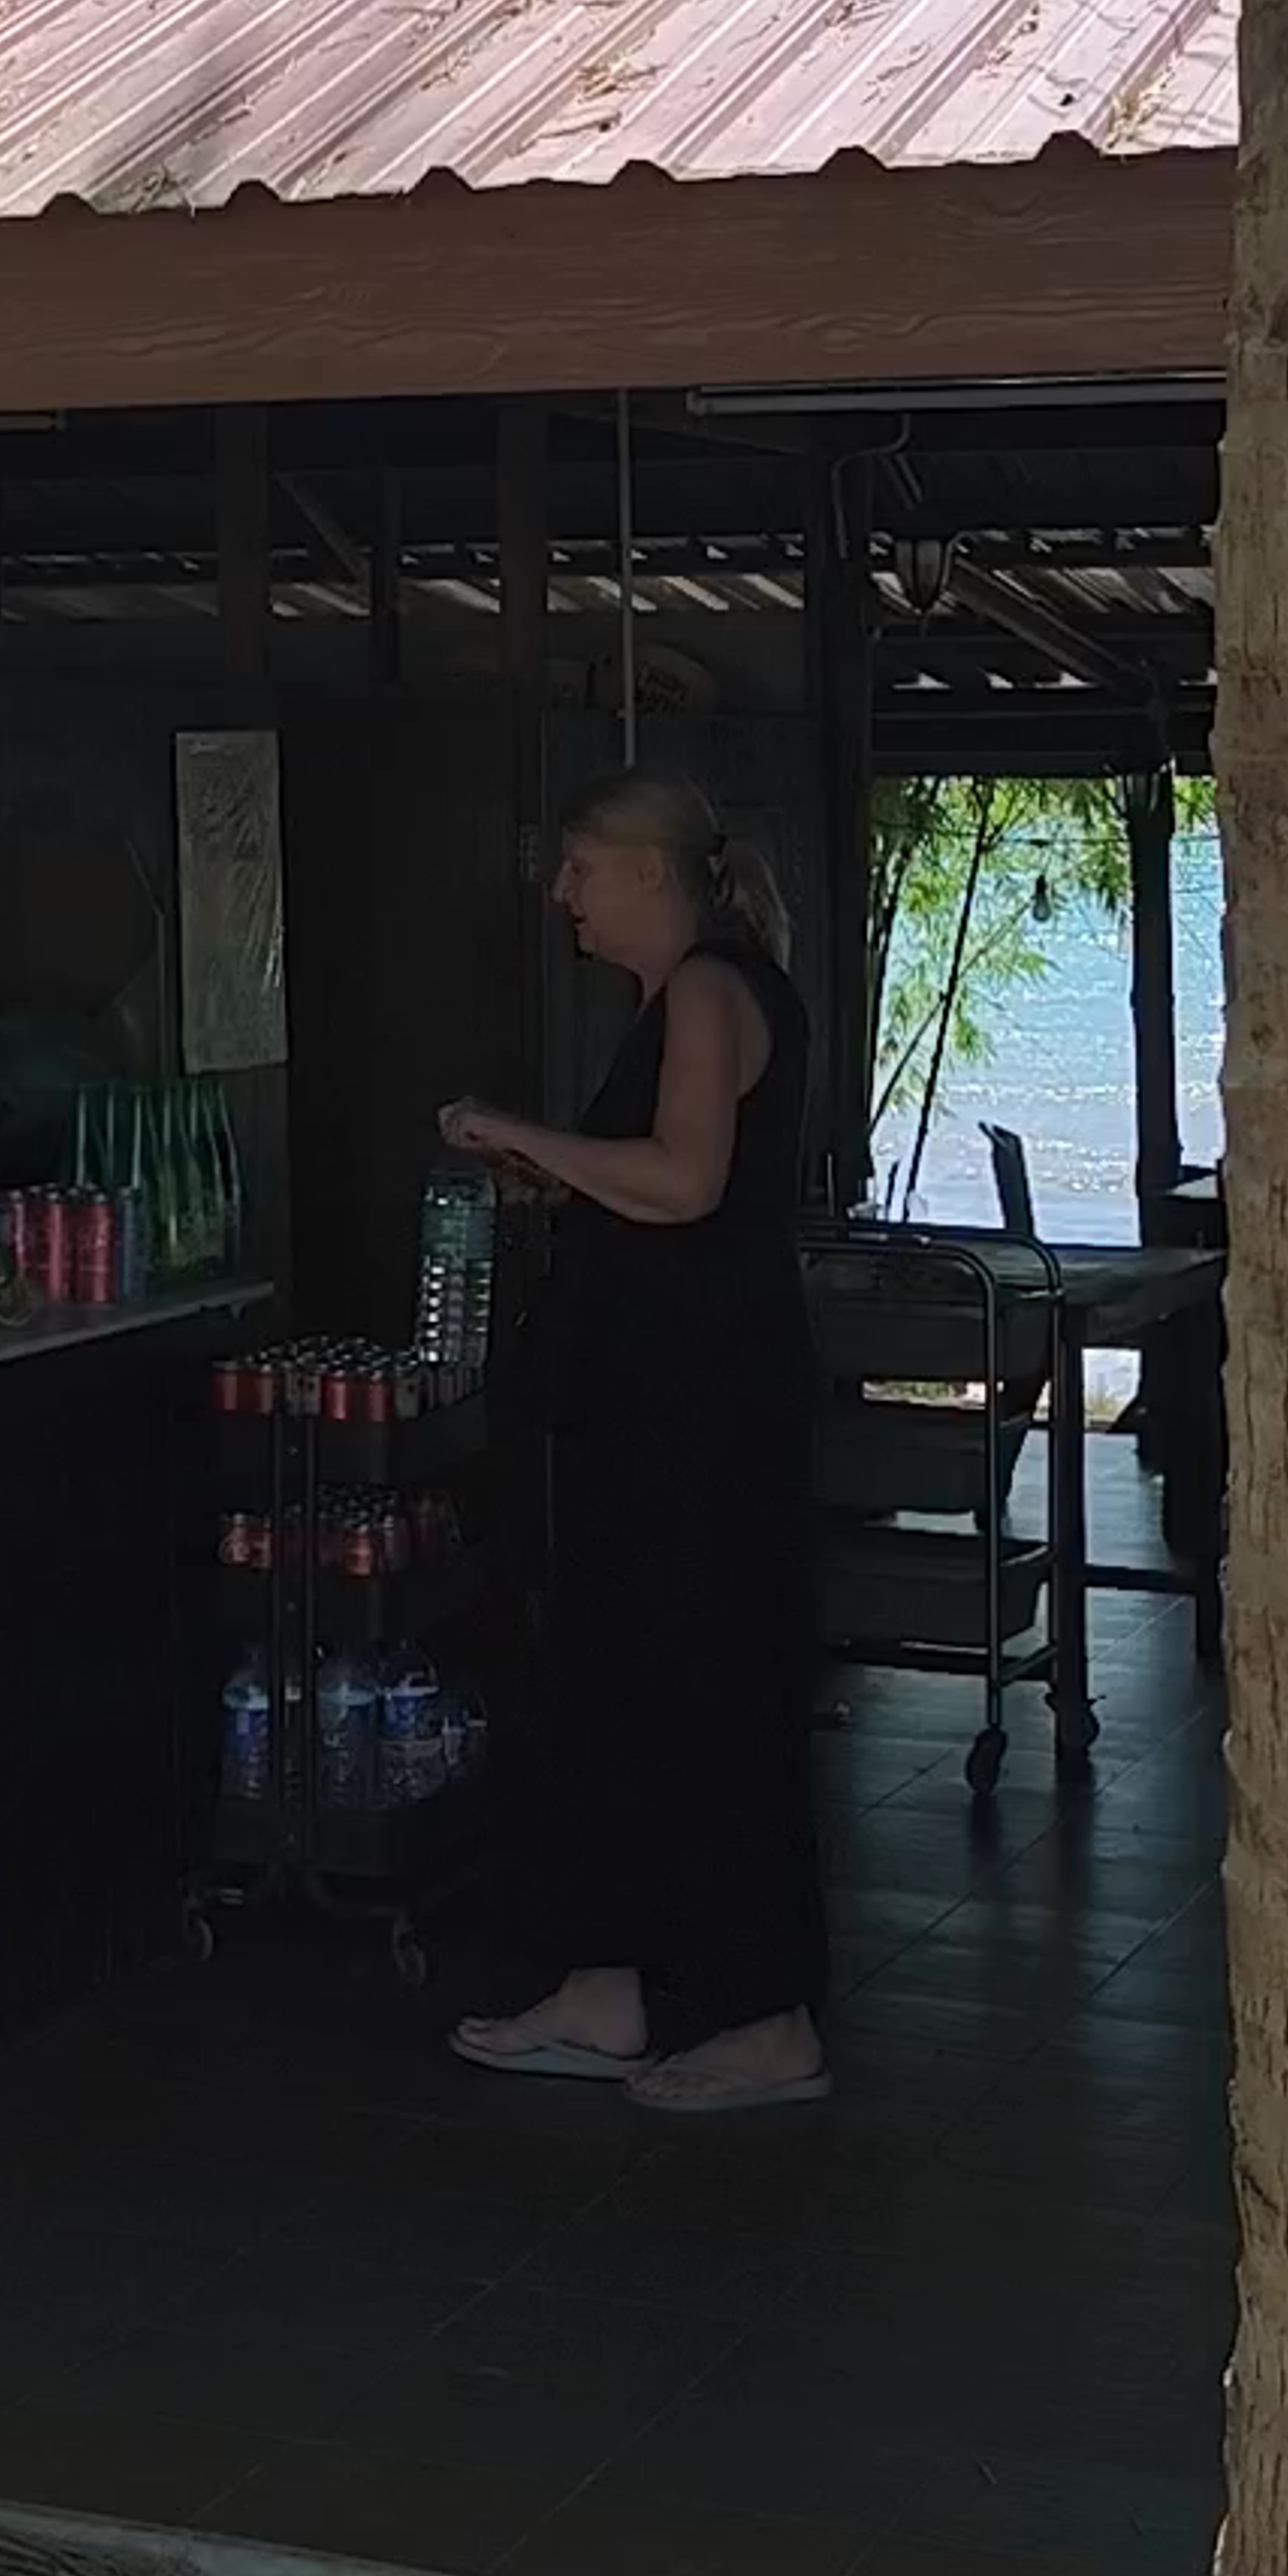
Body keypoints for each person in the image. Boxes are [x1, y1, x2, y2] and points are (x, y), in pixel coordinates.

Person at [437, 771, 829, 2118]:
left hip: (707, 1419)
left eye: (583, 868)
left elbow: (687, 1180)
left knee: (711, 1693)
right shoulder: (674, 1006)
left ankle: (769, 2014)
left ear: (652, 877)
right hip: (648, 1412)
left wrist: (519, 1132)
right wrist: (555, 1169)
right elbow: (646, 1180)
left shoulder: (714, 993)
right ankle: (610, 1983)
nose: (564, 894)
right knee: (615, 1687)